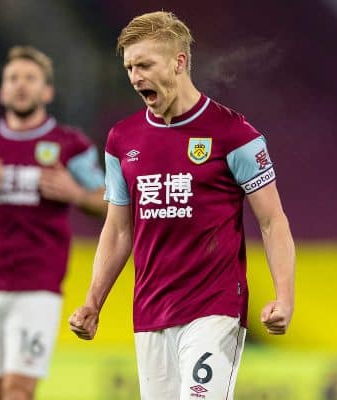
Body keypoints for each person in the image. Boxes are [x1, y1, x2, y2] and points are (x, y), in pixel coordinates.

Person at [69, 11, 295, 400]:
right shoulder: (122, 140)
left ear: (179, 62)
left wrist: (284, 296)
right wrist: (93, 301)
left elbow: (273, 221)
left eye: (145, 64)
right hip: (150, 311)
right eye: (129, 67)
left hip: (215, 308)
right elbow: (119, 229)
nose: (135, 76)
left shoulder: (234, 134)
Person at [0, 45, 107, 400]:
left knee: (19, 389)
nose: (21, 85)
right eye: (13, 78)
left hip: (39, 282)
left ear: (46, 91)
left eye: (30, 78)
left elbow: (109, 203)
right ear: (2, 90)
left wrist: (76, 193)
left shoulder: (69, 144)